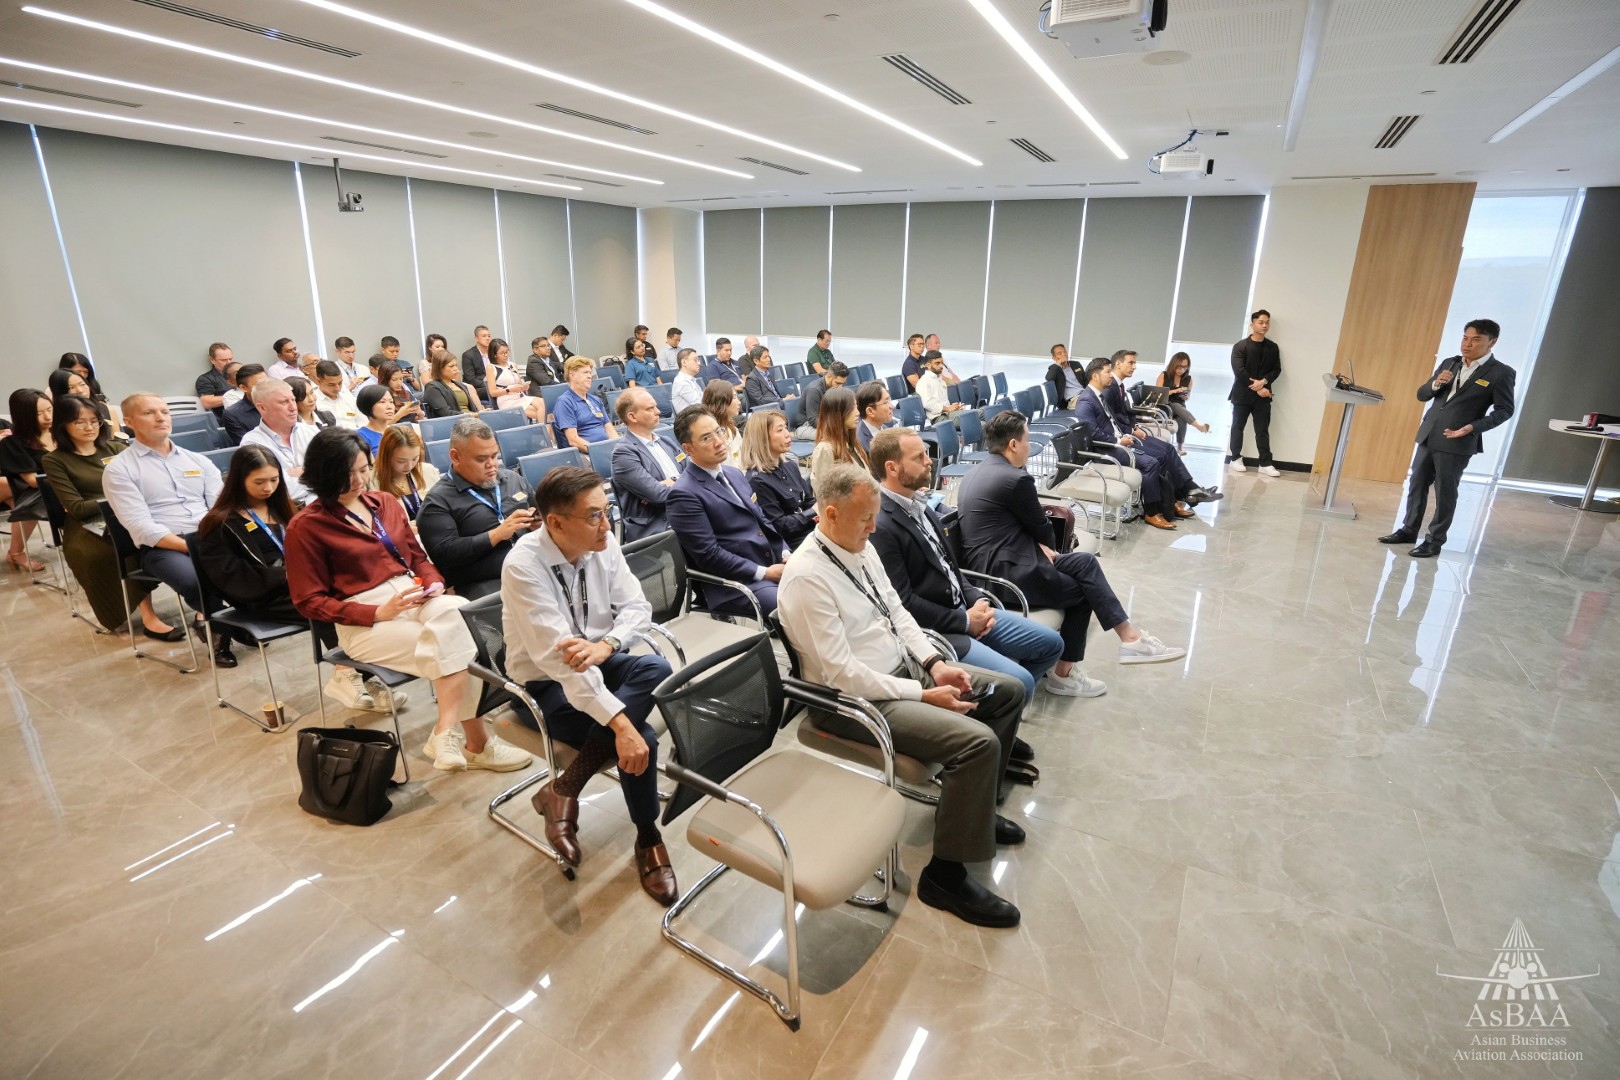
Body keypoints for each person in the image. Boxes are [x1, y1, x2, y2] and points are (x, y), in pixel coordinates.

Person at [778, 463, 1027, 928]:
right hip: (852, 704)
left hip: (902, 672)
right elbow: (843, 675)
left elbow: (896, 611)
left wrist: (935, 664)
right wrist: (922, 695)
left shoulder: (859, 545)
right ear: (830, 514)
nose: (874, 528)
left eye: (875, 516)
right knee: (977, 744)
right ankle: (944, 878)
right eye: (865, 519)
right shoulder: (807, 577)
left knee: (1007, 692)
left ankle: (973, 815)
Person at [284, 427, 532, 773]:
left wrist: (433, 583)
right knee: (458, 644)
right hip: (363, 617)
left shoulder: (384, 503)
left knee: (460, 614)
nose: (359, 480)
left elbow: (416, 557)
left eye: (363, 469)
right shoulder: (305, 527)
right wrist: (376, 612)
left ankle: (448, 733)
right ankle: (471, 742)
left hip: (412, 593)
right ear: (324, 474)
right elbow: (308, 601)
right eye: (348, 473)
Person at [502, 465, 677, 905]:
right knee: (642, 738)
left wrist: (608, 645)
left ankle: (564, 788)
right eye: (594, 515)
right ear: (556, 523)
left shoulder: (602, 543)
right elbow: (562, 664)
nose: (607, 524)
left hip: (599, 657)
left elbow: (637, 607)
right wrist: (622, 726)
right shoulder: (523, 566)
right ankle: (649, 838)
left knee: (655, 667)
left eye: (607, 510)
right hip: (543, 687)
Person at [957, 411, 1186, 696]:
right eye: (1027, 440)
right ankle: (1063, 675)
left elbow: (1008, 525)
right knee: (1083, 591)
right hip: (1003, 574)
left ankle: (1131, 639)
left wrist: (1040, 546)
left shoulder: (976, 471)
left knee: (1085, 563)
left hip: (996, 562)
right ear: (1013, 445)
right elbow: (1041, 526)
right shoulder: (1014, 478)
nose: (1029, 446)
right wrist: (1045, 546)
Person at [194, 445, 403, 712]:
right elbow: (231, 577)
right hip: (261, 596)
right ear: (238, 480)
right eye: (259, 482)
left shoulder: (286, 510)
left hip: (301, 583)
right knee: (326, 608)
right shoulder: (219, 523)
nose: (268, 488)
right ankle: (350, 674)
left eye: (274, 480)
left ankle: (361, 673)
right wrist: (292, 574)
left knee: (352, 596)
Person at [868, 429, 1063, 704]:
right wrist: (966, 621)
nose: (929, 461)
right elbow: (903, 603)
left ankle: (995, 707)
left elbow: (949, 565)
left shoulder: (920, 504)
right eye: (919, 457)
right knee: (1021, 682)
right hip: (939, 629)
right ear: (892, 468)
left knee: (1052, 645)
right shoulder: (881, 525)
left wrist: (977, 599)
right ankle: (1001, 706)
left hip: (966, 610)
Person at [102, 392, 236, 665]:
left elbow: (220, 508)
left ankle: (218, 620)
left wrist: (213, 540)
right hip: (163, 547)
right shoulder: (119, 469)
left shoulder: (197, 461)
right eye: (149, 413)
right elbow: (140, 526)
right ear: (129, 421)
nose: (161, 417)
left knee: (260, 561)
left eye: (164, 411)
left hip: (208, 537)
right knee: (196, 581)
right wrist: (190, 546)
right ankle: (224, 632)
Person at [1380, 319, 1517, 558]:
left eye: (1476, 340)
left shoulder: (1501, 373)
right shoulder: (1450, 363)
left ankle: (1434, 541)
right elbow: (1422, 395)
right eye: (1465, 338)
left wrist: (1473, 427)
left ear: (1492, 342)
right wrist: (1436, 383)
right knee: (1416, 484)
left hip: (1457, 441)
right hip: (1429, 434)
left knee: (1445, 492)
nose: (1467, 344)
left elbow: (1505, 410)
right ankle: (1409, 530)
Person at [41, 395, 177, 636]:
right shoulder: (55, 460)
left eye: (94, 421)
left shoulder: (116, 448)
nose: (89, 427)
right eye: (79, 422)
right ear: (63, 426)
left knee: (165, 534)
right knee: (110, 551)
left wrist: (126, 498)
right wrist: (121, 496)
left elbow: (148, 486)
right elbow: (77, 508)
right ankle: (147, 615)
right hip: (87, 524)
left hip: (132, 512)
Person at [666, 404, 789, 618]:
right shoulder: (684, 494)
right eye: (706, 438)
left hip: (770, 563)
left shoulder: (734, 474)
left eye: (719, 431)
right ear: (688, 449)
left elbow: (763, 521)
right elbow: (710, 555)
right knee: (796, 603)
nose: (719, 441)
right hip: (736, 584)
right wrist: (764, 572)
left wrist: (785, 553)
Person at [416, 417, 539, 599]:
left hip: (532, 562)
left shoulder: (513, 479)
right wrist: (496, 534)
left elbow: (539, 513)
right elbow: (444, 555)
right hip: (487, 582)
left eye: (494, 456)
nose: (492, 465)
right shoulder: (438, 501)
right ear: (456, 457)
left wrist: (538, 524)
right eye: (481, 459)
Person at [1074, 357, 1197, 530]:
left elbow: (1114, 422)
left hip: (1119, 442)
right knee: (1151, 464)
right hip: (1106, 450)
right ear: (1095, 376)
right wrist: (1119, 440)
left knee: (1163, 455)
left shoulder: (1099, 396)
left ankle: (1168, 503)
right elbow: (1092, 433)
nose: (1110, 375)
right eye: (1107, 372)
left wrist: (1126, 434)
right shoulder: (1086, 401)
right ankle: (1152, 512)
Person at [611, 388, 685, 542]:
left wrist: (672, 481)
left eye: (655, 407)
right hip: (658, 528)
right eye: (650, 408)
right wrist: (685, 483)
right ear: (632, 416)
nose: (658, 412)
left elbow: (694, 474)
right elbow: (658, 495)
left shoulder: (666, 442)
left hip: (685, 514)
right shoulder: (623, 453)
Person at [741, 407, 816, 548]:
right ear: (762, 439)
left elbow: (808, 501)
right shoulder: (756, 481)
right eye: (780, 430)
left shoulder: (790, 465)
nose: (787, 434)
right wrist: (813, 512)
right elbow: (780, 526)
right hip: (792, 544)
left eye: (786, 428)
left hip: (811, 531)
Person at [239, 379, 317, 505]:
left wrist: (298, 474)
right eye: (284, 402)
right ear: (262, 407)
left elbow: (336, 472)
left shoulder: (310, 431)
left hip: (324, 502)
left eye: (293, 400)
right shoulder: (252, 444)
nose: (293, 407)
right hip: (285, 510)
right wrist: (317, 475)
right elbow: (277, 491)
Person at [2, 389, 54, 572]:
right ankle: (16, 553)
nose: (47, 417)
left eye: (50, 409)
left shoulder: (63, 433)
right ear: (23, 416)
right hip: (44, 490)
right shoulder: (13, 443)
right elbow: (32, 480)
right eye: (39, 413)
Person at [1228, 309, 1281, 476]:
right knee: (1237, 427)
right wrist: (1258, 387)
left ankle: (1265, 463)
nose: (1264, 325)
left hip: (1263, 397)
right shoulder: (1240, 346)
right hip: (1242, 395)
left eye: (1267, 322)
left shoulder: (1273, 347)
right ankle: (1235, 458)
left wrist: (1263, 382)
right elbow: (1239, 371)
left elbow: (1276, 370)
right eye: (1261, 322)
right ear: (1252, 324)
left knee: (1262, 430)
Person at [372, 424, 441, 523]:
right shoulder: (371, 482)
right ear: (386, 456)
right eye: (401, 461)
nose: (409, 466)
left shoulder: (428, 470)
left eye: (414, 459)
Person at [808, 386, 867, 493]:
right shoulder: (825, 449)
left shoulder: (851, 442)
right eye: (852, 408)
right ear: (838, 413)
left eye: (856, 407)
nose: (858, 412)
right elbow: (824, 493)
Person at [553, 356, 617, 451]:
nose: (589, 376)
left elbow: (610, 430)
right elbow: (573, 440)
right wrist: (598, 452)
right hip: (586, 453)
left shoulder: (596, 400)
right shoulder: (565, 402)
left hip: (607, 449)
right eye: (585, 372)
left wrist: (618, 448)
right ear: (572, 376)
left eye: (590, 373)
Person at [1157, 352, 1211, 452]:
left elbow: (1188, 395)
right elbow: (1158, 394)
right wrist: (1174, 391)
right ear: (1174, 364)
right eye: (1179, 367)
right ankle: (1199, 427)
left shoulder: (1188, 379)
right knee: (1175, 405)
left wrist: (1186, 396)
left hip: (1180, 408)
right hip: (1165, 406)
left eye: (1185, 367)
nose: (1182, 370)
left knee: (1182, 418)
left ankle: (1180, 447)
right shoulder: (1164, 375)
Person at [486, 338, 547, 424]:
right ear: (495, 355)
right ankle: (544, 430)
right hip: (507, 401)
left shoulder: (512, 365)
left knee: (544, 403)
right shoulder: (491, 368)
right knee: (544, 414)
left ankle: (544, 430)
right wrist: (509, 390)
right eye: (502, 353)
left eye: (507, 351)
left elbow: (519, 383)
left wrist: (524, 387)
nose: (506, 355)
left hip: (520, 397)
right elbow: (492, 392)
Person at [47, 369, 117, 430]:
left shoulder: (105, 409)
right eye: (71, 387)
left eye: (82, 384)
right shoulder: (52, 418)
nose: (80, 390)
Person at [423, 349, 484, 418]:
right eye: (451, 366)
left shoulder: (460, 385)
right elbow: (446, 413)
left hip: (472, 419)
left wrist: (481, 413)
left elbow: (472, 409)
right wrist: (472, 415)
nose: (456, 369)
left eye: (456, 365)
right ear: (440, 368)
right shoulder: (432, 387)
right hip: (456, 422)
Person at [796, 360, 847, 439]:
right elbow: (813, 420)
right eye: (838, 383)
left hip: (826, 421)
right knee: (834, 436)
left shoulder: (835, 388)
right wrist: (834, 428)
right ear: (828, 376)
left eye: (843, 384)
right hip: (808, 425)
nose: (840, 387)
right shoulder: (814, 390)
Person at [221, 363, 268, 445]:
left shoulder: (281, 402)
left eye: (268, 382)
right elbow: (248, 446)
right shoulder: (233, 414)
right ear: (243, 388)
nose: (266, 387)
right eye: (259, 384)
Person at [702, 378, 743, 462]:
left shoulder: (732, 429)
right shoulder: (710, 439)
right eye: (734, 397)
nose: (739, 402)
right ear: (721, 402)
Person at [916, 350, 961, 424]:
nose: (941, 366)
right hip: (938, 419)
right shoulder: (924, 381)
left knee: (978, 415)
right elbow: (928, 404)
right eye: (937, 363)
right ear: (928, 365)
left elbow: (944, 402)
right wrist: (948, 408)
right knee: (974, 418)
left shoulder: (940, 380)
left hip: (947, 414)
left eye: (941, 363)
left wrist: (953, 407)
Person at [312, 360, 361, 428]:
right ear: (318, 381)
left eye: (340, 383)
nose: (337, 388)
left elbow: (363, 424)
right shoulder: (313, 403)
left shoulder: (350, 399)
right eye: (331, 385)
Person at [742, 345, 792, 410]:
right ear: (756, 361)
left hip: (778, 405)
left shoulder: (768, 373)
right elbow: (761, 401)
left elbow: (775, 394)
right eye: (765, 357)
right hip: (767, 410)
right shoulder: (752, 379)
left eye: (768, 356)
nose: (768, 359)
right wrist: (783, 400)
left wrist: (786, 399)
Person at [855, 380, 897, 453]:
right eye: (886, 402)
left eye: (889, 400)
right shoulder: (861, 443)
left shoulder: (887, 428)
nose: (891, 406)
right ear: (870, 411)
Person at [354, 385, 395, 454]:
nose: (389, 407)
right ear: (368, 405)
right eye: (382, 402)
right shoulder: (360, 436)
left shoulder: (396, 432)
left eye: (391, 402)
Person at [196, 342, 234, 417]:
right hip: (226, 417)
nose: (228, 363)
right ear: (212, 360)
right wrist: (235, 397)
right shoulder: (206, 379)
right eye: (223, 360)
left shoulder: (240, 374)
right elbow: (206, 402)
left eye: (230, 359)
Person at [460, 325, 494, 406]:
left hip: (493, 384)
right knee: (492, 391)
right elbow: (470, 378)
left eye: (489, 336)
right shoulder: (468, 355)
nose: (487, 338)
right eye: (484, 336)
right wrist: (489, 385)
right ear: (476, 338)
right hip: (477, 388)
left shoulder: (493, 353)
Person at [1046, 344, 1086, 411]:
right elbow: (1049, 378)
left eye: (1065, 352)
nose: (1064, 354)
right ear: (1054, 358)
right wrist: (1058, 362)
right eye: (1059, 354)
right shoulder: (1055, 369)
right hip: (1073, 400)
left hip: (1085, 394)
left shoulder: (1076, 364)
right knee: (1090, 405)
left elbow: (1085, 380)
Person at [670, 348, 704, 413]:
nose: (699, 363)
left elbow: (703, 399)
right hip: (690, 418)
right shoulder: (681, 381)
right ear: (684, 362)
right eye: (695, 360)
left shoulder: (691, 380)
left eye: (698, 360)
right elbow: (698, 404)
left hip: (697, 414)